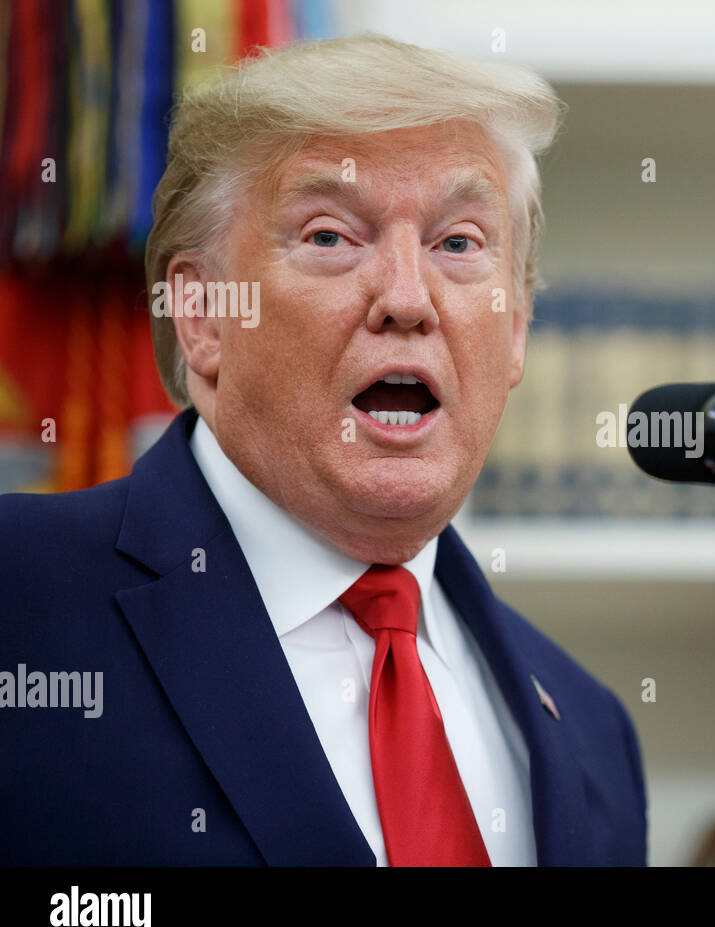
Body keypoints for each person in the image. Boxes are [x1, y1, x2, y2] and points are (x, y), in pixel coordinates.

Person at [0, 34, 646, 866]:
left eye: (459, 244)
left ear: (516, 330)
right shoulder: (19, 602)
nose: (408, 300)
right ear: (202, 315)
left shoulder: (595, 736)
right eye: (333, 236)